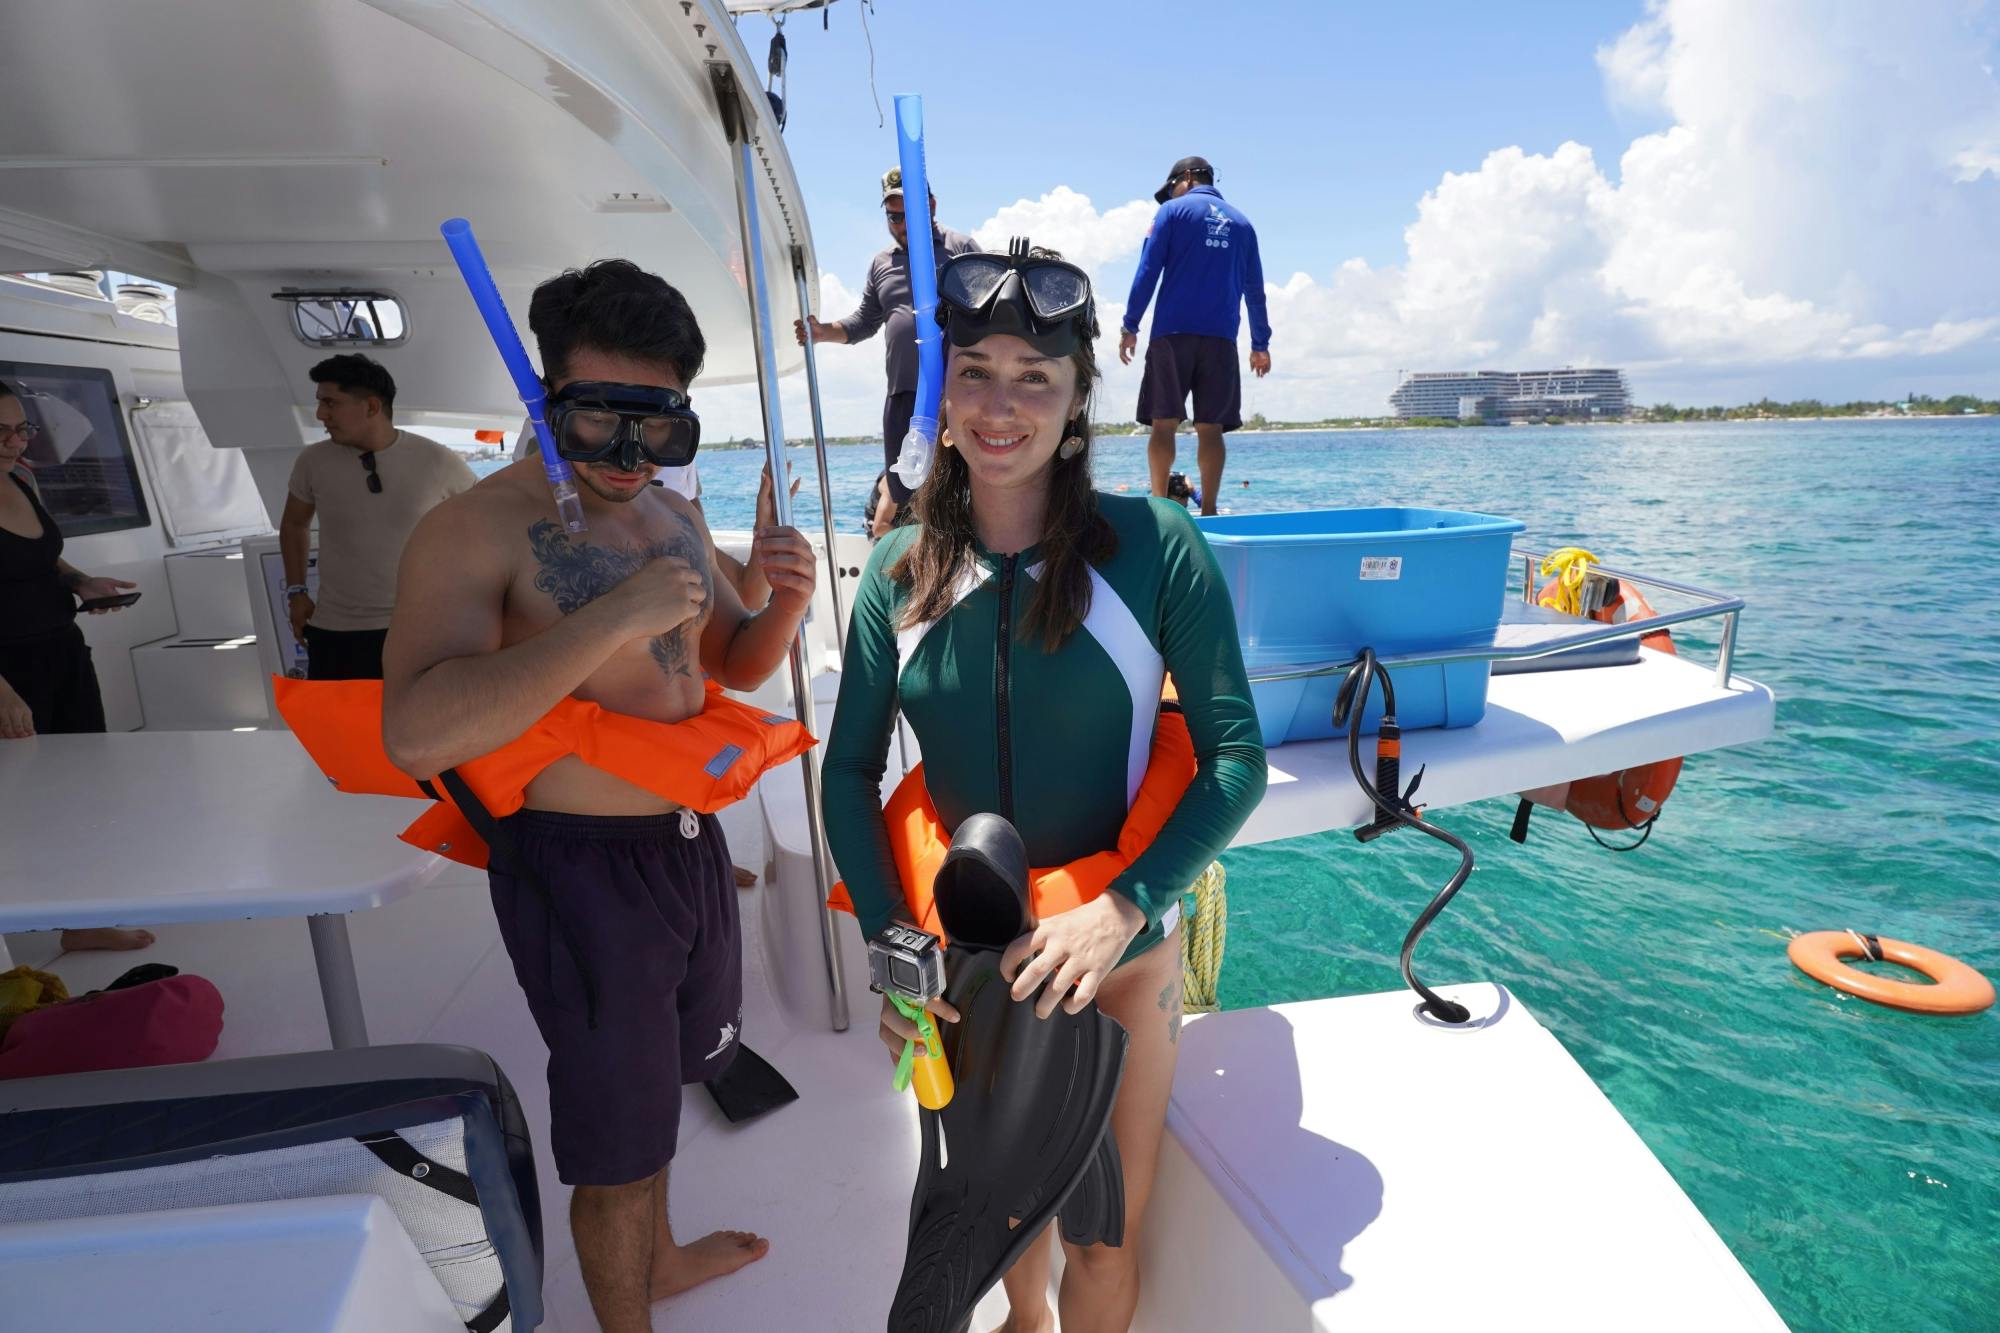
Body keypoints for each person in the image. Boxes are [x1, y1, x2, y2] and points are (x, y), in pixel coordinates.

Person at [822, 243, 1266, 1331]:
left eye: (1035, 377)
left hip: (1115, 954)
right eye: (973, 370)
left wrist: (1122, 910)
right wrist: (892, 946)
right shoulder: (896, 568)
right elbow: (845, 769)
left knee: (1098, 1243)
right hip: (968, 963)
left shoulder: (1155, 546)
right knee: (1002, 1245)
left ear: (1076, 405)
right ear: (940, 391)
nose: (1000, 403)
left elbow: (1235, 761)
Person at [380, 259, 816, 1333]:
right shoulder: (475, 529)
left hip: (686, 848)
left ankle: (657, 1261)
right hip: (577, 868)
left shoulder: (668, 517)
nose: (629, 457)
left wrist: (787, 601)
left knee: (666, 1082)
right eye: (597, 422)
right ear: (544, 401)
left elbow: (728, 662)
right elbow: (415, 729)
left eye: (657, 426)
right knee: (615, 1146)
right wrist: (601, 623)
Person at [0, 379, 153, 953]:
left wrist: (79, 581)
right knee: (20, 801)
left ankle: (83, 918)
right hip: (8, 677)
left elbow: (41, 555)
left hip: (62, 654)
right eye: (0, 431)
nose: (15, 443)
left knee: (84, 789)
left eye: (22, 429)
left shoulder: (21, 480)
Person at [794, 166, 979, 520]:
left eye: (911, 213)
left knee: (960, 489)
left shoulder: (962, 249)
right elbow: (864, 320)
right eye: (894, 216)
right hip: (902, 396)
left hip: (954, 393)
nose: (903, 225)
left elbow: (990, 308)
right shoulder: (882, 263)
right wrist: (821, 333)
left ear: (933, 206)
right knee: (906, 495)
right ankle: (917, 569)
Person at [280, 354, 477, 680]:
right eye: (319, 403)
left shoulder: (435, 461)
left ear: (371, 407)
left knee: (424, 728)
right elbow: (294, 523)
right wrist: (296, 591)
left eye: (330, 403)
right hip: (335, 630)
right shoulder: (312, 462)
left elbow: (482, 526)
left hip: (422, 628)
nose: (320, 414)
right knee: (342, 728)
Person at [1118, 156, 1272, 516]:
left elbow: (1147, 270)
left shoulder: (1171, 213)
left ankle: (1160, 506)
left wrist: (1130, 324)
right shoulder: (1243, 223)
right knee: (1211, 428)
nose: (1170, 195)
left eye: (1170, 188)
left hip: (1172, 334)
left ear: (1185, 178)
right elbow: (1255, 289)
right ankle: (1210, 511)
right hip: (1220, 338)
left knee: (1163, 423)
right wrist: (1260, 344)